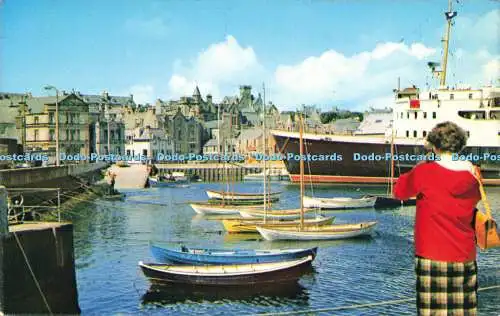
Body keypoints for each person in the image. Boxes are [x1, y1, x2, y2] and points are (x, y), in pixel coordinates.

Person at [393, 121, 481, 316]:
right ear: (460, 145)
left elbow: (399, 191)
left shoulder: (425, 171)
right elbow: (475, 198)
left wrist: (423, 162)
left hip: (431, 254)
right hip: (464, 255)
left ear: (434, 145)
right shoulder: (472, 174)